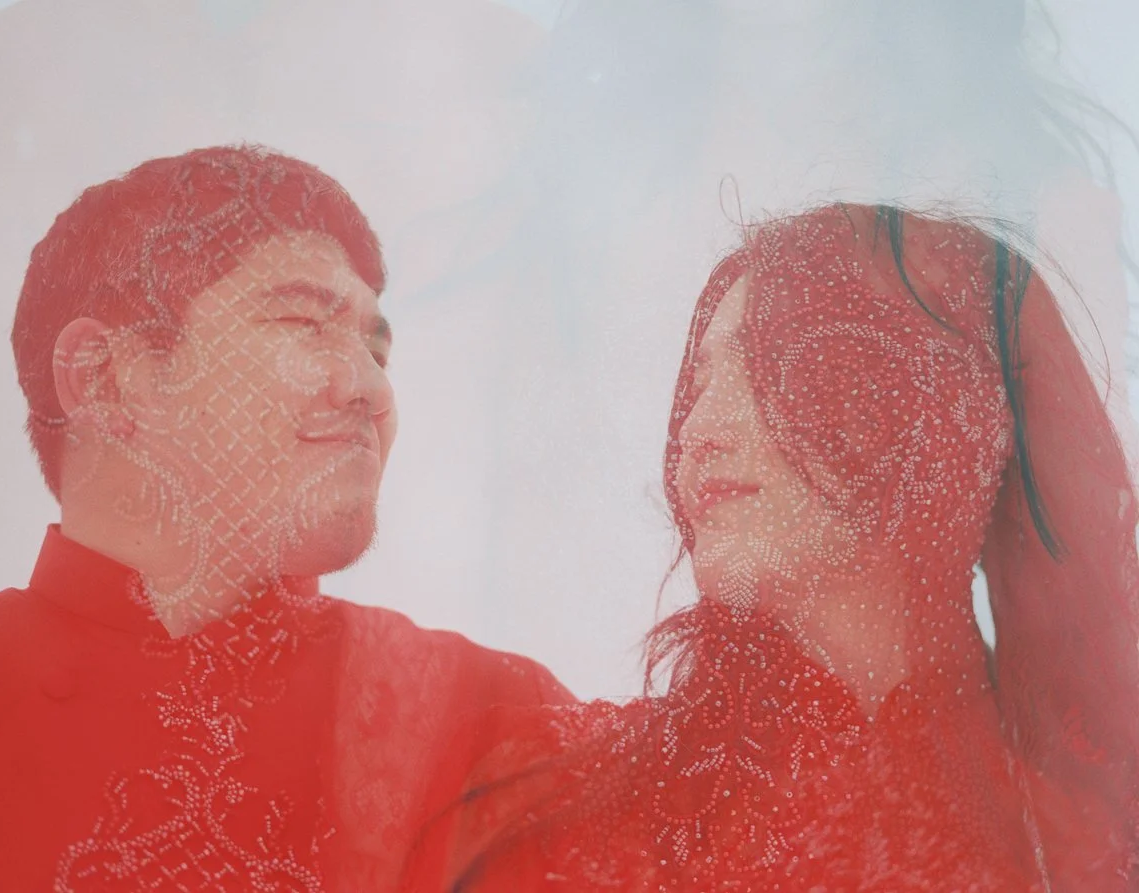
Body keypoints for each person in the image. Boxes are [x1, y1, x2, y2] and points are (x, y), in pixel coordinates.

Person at [405, 203, 1139, 892]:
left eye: (759, 368)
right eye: (698, 380)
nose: (697, 431)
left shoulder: (1086, 838)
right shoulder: (563, 819)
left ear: (925, 418)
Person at [0, 144, 572, 892]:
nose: (370, 387)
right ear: (108, 378)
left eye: (377, 348)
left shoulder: (491, 723)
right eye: (305, 323)